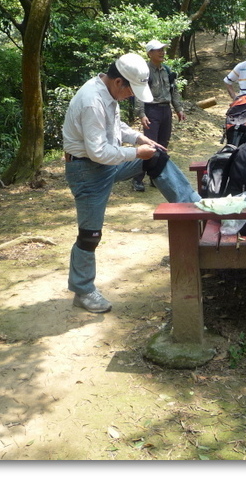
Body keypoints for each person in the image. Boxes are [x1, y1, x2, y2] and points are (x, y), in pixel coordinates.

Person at [63, 53, 201, 313]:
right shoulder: (92, 101)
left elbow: (115, 127)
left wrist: (139, 138)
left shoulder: (107, 91)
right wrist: (136, 153)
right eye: (130, 91)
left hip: (106, 163)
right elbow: (98, 152)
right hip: (87, 170)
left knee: (157, 157)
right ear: (118, 82)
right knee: (90, 235)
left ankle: (192, 207)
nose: (130, 96)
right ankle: (83, 291)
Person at [131, 40, 186, 192]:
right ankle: (137, 179)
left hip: (166, 110)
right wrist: (141, 114)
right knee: (149, 146)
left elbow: (173, 91)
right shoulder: (145, 72)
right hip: (151, 111)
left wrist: (178, 109)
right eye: (158, 50)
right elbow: (139, 95)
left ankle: (156, 177)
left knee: (163, 145)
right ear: (149, 53)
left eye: (163, 49)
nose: (162, 52)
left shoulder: (167, 70)